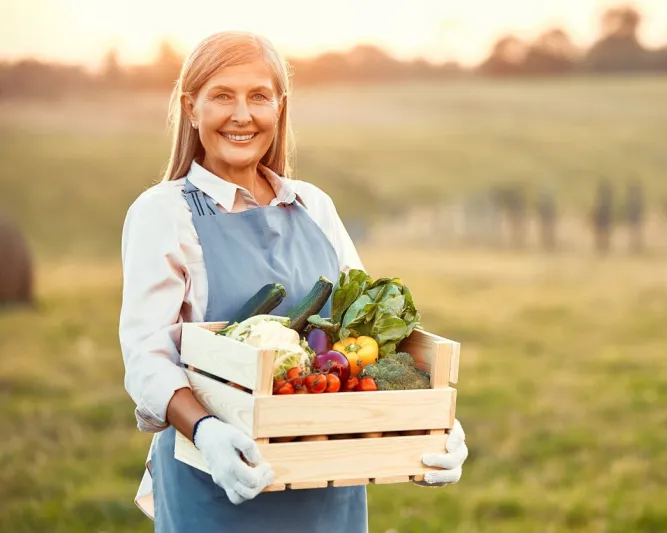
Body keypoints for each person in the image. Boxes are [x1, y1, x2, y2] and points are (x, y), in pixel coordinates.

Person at [118, 30, 468, 533]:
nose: (242, 115)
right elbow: (146, 356)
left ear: (280, 107)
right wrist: (209, 431)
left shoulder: (313, 206)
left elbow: (366, 337)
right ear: (191, 107)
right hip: (217, 480)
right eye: (222, 96)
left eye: (259, 96)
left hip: (329, 485)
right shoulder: (164, 213)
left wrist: (429, 425)